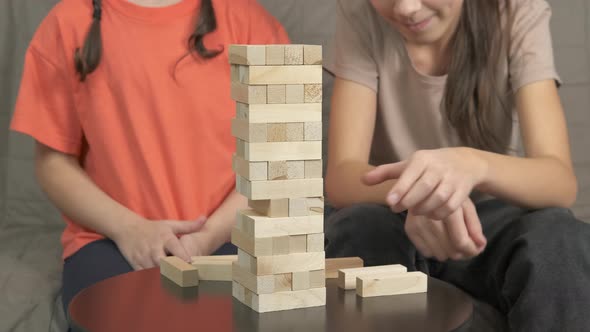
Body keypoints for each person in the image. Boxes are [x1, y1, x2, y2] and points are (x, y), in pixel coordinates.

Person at [10, 0, 289, 318]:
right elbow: (52, 163)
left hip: (232, 231)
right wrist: (129, 230)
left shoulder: (250, 21)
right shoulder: (68, 21)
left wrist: (209, 237)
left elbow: (277, 158)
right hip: (111, 240)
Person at [323, 0, 590, 330]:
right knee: (359, 226)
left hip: (484, 215)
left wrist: (470, 165)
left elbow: (559, 181)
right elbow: (342, 176)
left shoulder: (517, 10)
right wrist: (426, 191)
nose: (406, 8)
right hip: (391, 206)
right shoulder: (359, 13)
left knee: (559, 239)